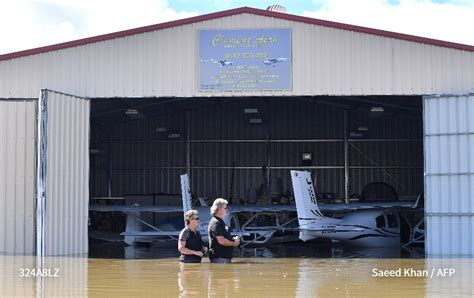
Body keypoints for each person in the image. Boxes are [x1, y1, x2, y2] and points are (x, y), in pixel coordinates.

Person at [208, 198, 240, 263]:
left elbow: (225, 236)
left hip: (224, 258)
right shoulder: (216, 222)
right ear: (219, 209)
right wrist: (234, 243)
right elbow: (221, 241)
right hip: (220, 258)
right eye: (225, 208)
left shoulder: (220, 222)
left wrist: (233, 238)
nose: (226, 210)